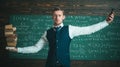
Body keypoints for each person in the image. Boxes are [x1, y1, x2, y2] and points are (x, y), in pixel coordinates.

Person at [6, 7, 114, 67]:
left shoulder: (70, 29)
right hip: (50, 64)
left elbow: (89, 29)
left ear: (63, 17)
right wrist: (17, 49)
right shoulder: (47, 32)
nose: (57, 17)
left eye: (59, 15)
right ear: (52, 17)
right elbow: (36, 48)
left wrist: (106, 22)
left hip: (65, 65)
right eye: (55, 15)